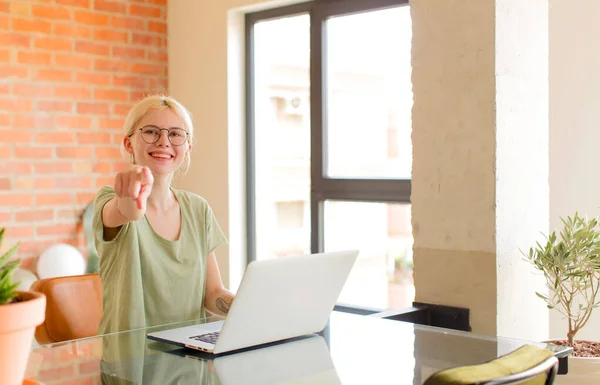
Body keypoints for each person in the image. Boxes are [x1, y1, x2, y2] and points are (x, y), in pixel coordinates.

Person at [93, 94, 234, 335]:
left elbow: (212, 294)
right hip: (130, 362)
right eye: (151, 132)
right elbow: (124, 211)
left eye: (175, 134)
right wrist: (130, 200)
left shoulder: (198, 209)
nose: (164, 142)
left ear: (187, 148)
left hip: (189, 357)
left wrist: (253, 308)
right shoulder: (110, 199)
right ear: (128, 144)